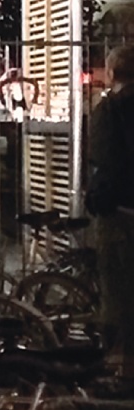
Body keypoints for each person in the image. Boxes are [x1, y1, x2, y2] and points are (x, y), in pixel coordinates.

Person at [86, 44, 134, 377]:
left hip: (121, 212)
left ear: (113, 73)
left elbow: (102, 159)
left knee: (117, 290)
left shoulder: (109, 110)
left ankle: (122, 366)